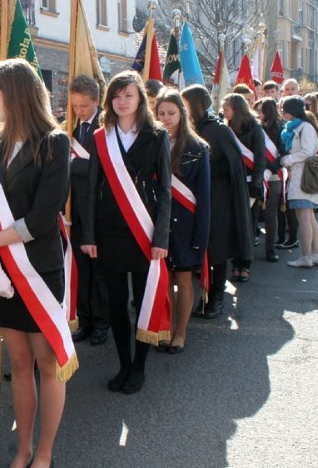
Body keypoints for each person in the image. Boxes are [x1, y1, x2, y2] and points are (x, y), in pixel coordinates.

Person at [0, 58, 72, 468]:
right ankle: (21, 450)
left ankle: (45, 456)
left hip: (38, 271)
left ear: (13, 94)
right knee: (18, 363)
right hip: (2, 271)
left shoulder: (54, 143)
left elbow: (43, 216)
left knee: (46, 365)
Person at [81, 70, 171, 393]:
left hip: (144, 231)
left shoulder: (157, 136)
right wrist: (88, 235)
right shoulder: (100, 137)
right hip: (109, 232)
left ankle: (139, 367)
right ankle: (122, 364)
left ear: (140, 100)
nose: (122, 101)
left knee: (142, 302)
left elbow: (165, 193)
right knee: (116, 303)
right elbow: (91, 189)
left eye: (128, 95)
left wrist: (161, 238)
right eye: (116, 95)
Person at [182, 85, 252, 319]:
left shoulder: (218, 130)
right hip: (194, 198)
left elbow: (233, 166)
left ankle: (217, 299)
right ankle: (203, 297)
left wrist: (205, 169)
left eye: (186, 104)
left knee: (217, 250)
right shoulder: (190, 128)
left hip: (218, 199)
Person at [154, 88, 209, 353]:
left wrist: (201, 235)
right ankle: (165, 327)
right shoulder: (151, 142)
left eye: (171, 113)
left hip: (187, 222)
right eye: (161, 113)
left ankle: (181, 333)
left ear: (182, 114)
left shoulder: (198, 148)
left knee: (184, 279)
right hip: (159, 223)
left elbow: (205, 196)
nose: (166, 118)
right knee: (164, 279)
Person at [67, 75, 110, 346]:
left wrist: (76, 166)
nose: (79, 111)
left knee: (99, 270)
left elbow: (103, 167)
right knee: (80, 268)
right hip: (75, 210)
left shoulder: (105, 128)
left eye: (84, 105)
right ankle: (84, 318)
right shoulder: (69, 127)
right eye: (75, 106)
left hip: (98, 208)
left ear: (96, 101)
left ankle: (102, 323)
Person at [221, 92, 264, 282]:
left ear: (236, 109)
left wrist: (256, 184)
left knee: (246, 225)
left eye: (226, 109)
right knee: (233, 225)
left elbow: (260, 158)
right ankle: (234, 263)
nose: (224, 112)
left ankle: (244, 264)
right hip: (230, 184)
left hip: (249, 183)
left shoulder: (254, 128)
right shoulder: (225, 128)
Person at [279, 96, 318, 267]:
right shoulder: (303, 127)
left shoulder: (304, 127)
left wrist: (288, 159)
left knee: (304, 217)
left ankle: (306, 256)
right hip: (304, 177)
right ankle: (315, 254)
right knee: (309, 217)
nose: (282, 113)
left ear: (290, 111)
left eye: (284, 110)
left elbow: (307, 151)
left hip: (304, 177)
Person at [254, 98, 285, 262]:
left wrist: (270, 170)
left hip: (273, 175)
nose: (258, 113)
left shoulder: (281, 128)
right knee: (254, 211)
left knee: (271, 213)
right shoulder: (254, 128)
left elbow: (283, 154)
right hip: (257, 173)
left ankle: (270, 249)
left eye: (261, 110)